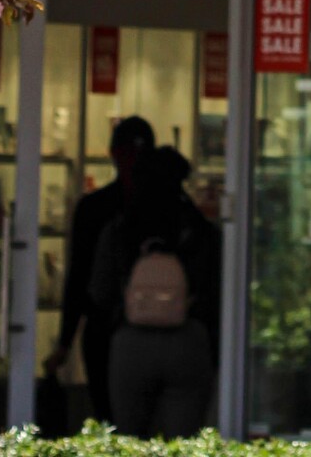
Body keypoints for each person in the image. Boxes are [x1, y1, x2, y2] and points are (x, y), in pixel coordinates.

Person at [88, 145, 221, 437]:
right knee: (183, 443)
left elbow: (100, 292)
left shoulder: (121, 229)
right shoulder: (200, 229)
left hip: (131, 343)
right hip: (188, 343)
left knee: (131, 440)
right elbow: (216, 291)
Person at [46, 114, 155, 422]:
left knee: (110, 417)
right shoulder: (166, 207)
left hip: (106, 328)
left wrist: (64, 342)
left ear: (112, 154)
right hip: (154, 328)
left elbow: (78, 278)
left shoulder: (94, 208)